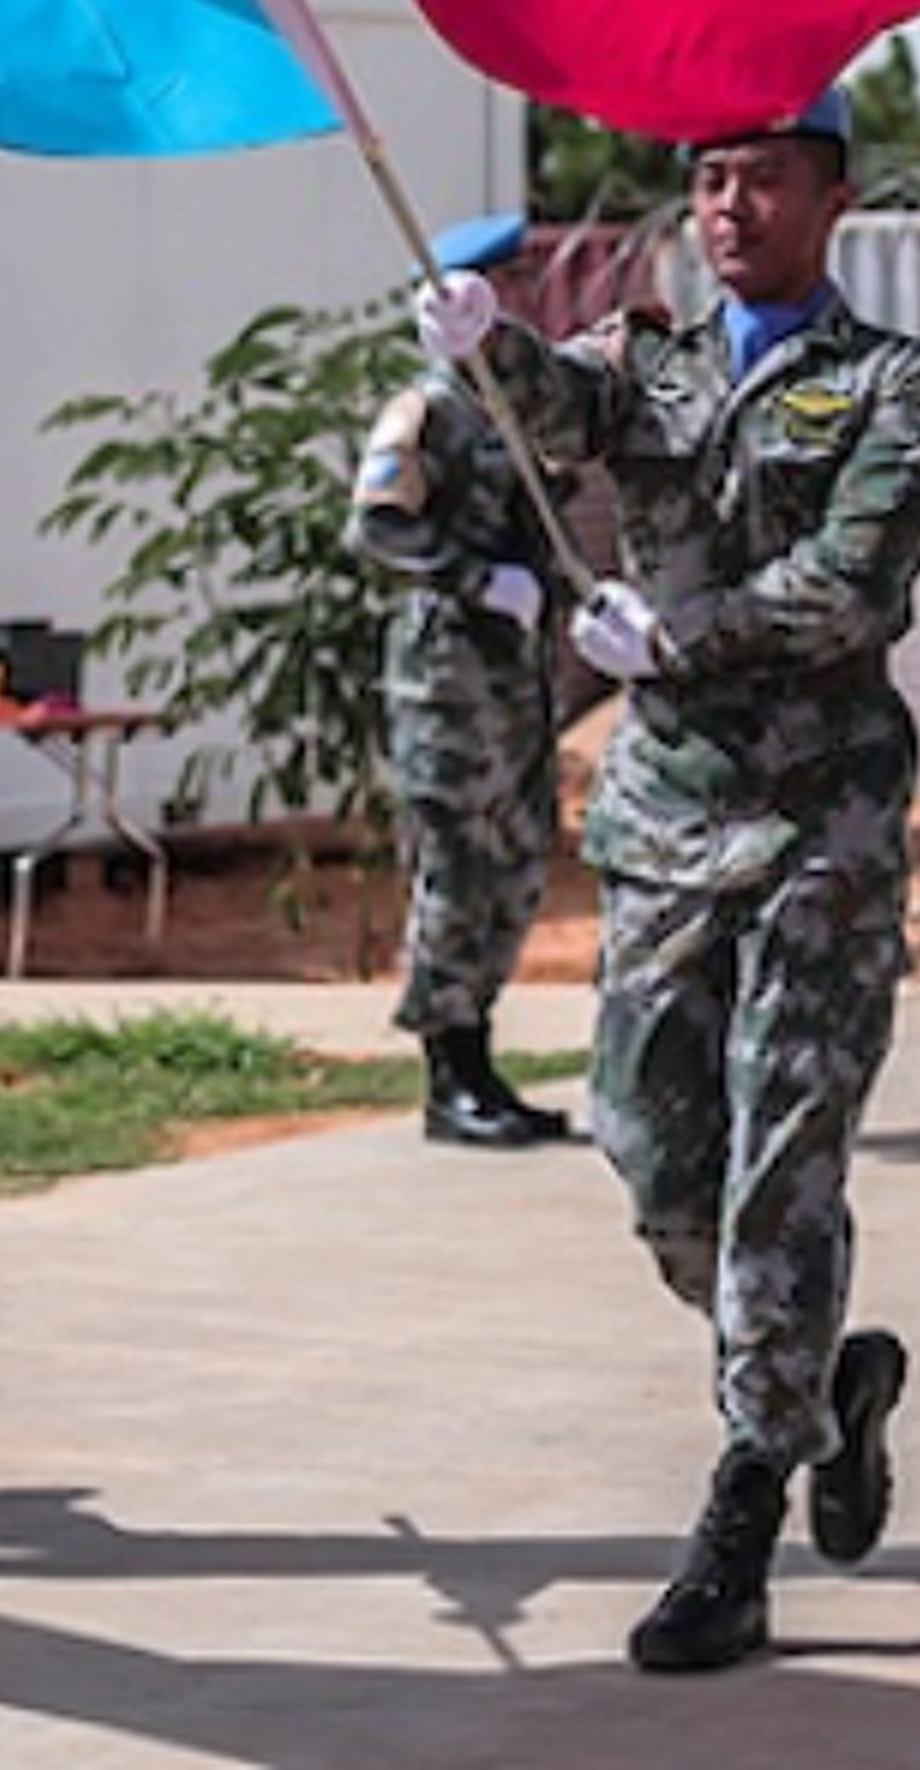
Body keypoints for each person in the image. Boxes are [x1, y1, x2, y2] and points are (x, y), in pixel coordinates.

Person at [417, 88, 920, 1676]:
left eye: (765, 180)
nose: (731, 208)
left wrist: (678, 637)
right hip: (667, 820)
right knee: (656, 1156)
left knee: (785, 1161)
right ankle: (825, 1378)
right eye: (712, 180)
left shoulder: (895, 386)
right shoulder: (648, 360)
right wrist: (479, 346)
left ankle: (741, 1512)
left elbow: (851, 583)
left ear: (834, 198)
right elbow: (559, 408)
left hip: (817, 827)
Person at [348, 209, 577, 1148]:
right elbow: (378, 523)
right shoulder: (427, 410)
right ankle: (450, 1074)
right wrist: (481, 580)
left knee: (517, 862)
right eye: (507, 283)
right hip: (447, 672)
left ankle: (480, 1055)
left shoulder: (520, 408)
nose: (522, 298)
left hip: (516, 670)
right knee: (457, 866)